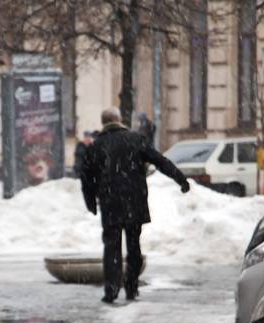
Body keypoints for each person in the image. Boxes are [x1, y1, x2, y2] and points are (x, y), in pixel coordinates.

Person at [81, 107, 189, 303]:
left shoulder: (96, 146)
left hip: (110, 203)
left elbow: (86, 178)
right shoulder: (136, 140)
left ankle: (111, 290)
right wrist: (181, 179)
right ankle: (131, 287)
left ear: (103, 122)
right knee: (134, 245)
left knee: (111, 247)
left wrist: (91, 203)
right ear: (120, 119)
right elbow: (160, 161)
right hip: (134, 202)